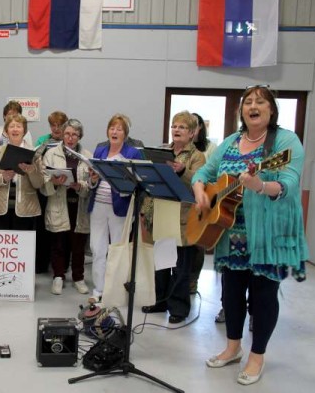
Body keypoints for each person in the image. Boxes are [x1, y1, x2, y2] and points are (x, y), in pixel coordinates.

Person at [193, 85, 308, 385]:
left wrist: (260, 186)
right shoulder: (231, 141)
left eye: (260, 101)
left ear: (271, 110)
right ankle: (233, 347)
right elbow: (204, 173)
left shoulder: (285, 141)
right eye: (248, 102)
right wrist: (200, 192)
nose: (253, 106)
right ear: (241, 111)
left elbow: (290, 183)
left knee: (263, 294)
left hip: (270, 233)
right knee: (231, 291)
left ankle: (257, 355)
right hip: (231, 231)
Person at [141, 111, 205, 323]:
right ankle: (160, 301)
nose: (176, 130)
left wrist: (182, 170)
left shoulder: (197, 156)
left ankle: (178, 308)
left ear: (192, 133)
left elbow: (198, 183)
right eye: (174, 126)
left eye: (182, 127)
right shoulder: (162, 152)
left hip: (182, 216)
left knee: (180, 265)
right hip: (161, 211)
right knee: (161, 261)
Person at [87, 113, 142, 302]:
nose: (114, 131)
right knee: (97, 247)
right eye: (112, 128)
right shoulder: (100, 150)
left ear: (125, 134)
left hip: (120, 206)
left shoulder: (133, 153)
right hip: (98, 206)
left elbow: (138, 182)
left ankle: (115, 290)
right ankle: (99, 290)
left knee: (117, 249)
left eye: (119, 129)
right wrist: (93, 180)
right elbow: (91, 181)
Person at [41, 119, 91, 295]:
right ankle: (58, 276)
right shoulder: (51, 153)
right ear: (62, 134)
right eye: (68, 134)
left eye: (74, 134)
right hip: (58, 203)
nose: (70, 138)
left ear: (80, 136)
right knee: (58, 243)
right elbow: (43, 182)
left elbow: (90, 184)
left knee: (78, 245)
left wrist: (81, 186)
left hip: (78, 205)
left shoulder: (86, 155)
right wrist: (54, 182)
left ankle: (78, 277)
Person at [0, 114, 43, 230]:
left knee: (23, 246)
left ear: (24, 131)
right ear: (6, 131)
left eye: (19, 126)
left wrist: (31, 171)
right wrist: (2, 178)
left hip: (26, 209)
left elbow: (39, 184)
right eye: (11, 126)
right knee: (2, 247)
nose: (15, 129)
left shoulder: (33, 153)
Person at [34, 111, 69, 274]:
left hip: (64, 190)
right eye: (53, 125)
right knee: (42, 228)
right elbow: (35, 159)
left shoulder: (69, 142)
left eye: (60, 125)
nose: (56, 129)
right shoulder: (43, 141)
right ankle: (41, 264)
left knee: (62, 231)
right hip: (44, 188)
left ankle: (62, 266)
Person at [189, 113, 218, 293]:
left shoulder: (210, 148)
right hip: (187, 197)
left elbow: (211, 173)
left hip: (204, 198)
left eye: (194, 125)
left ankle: (193, 280)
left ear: (200, 127)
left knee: (197, 243)